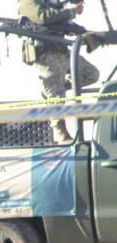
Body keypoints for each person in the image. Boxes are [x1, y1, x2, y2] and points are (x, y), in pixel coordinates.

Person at [18, 0, 100, 142]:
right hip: (46, 55)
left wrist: (88, 35)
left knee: (91, 74)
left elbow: (63, 24)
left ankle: (53, 89)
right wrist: (71, 12)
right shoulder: (28, 2)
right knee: (57, 98)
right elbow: (42, 17)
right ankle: (61, 134)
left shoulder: (50, 4)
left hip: (62, 51)